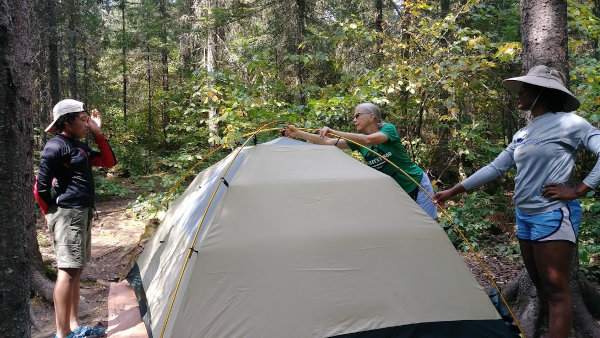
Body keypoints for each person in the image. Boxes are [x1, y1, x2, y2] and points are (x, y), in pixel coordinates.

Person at [433, 65, 600, 337]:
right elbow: (496, 167)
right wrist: (454, 191)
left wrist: (579, 190)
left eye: (525, 88)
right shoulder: (525, 132)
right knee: (541, 286)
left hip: (553, 215)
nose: (519, 92)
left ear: (542, 93)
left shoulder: (571, 123)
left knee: (557, 292)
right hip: (525, 217)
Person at [34, 99, 116, 338]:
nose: (86, 122)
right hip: (67, 214)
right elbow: (40, 186)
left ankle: (74, 327)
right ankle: (62, 334)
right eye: (82, 119)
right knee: (67, 271)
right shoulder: (55, 146)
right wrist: (50, 212)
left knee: (76, 271)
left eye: (86, 118)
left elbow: (109, 161)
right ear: (66, 121)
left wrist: (98, 133)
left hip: (81, 213)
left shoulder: (78, 146)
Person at [285, 102, 437, 219]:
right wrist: (298, 133)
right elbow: (328, 143)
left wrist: (334, 131)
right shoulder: (358, 141)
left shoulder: (388, 129)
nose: (354, 120)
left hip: (417, 184)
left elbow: (370, 140)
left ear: (371, 117)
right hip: (397, 193)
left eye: (357, 116)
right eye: (354, 117)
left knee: (429, 227)